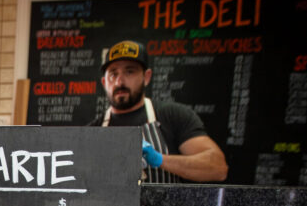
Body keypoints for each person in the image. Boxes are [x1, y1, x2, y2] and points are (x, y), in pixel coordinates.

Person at [94, 40, 228, 183]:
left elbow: (218, 169)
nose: (119, 82)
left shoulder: (174, 115)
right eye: (113, 74)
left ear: (146, 77)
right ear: (104, 82)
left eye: (129, 71)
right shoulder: (92, 130)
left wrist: (159, 159)